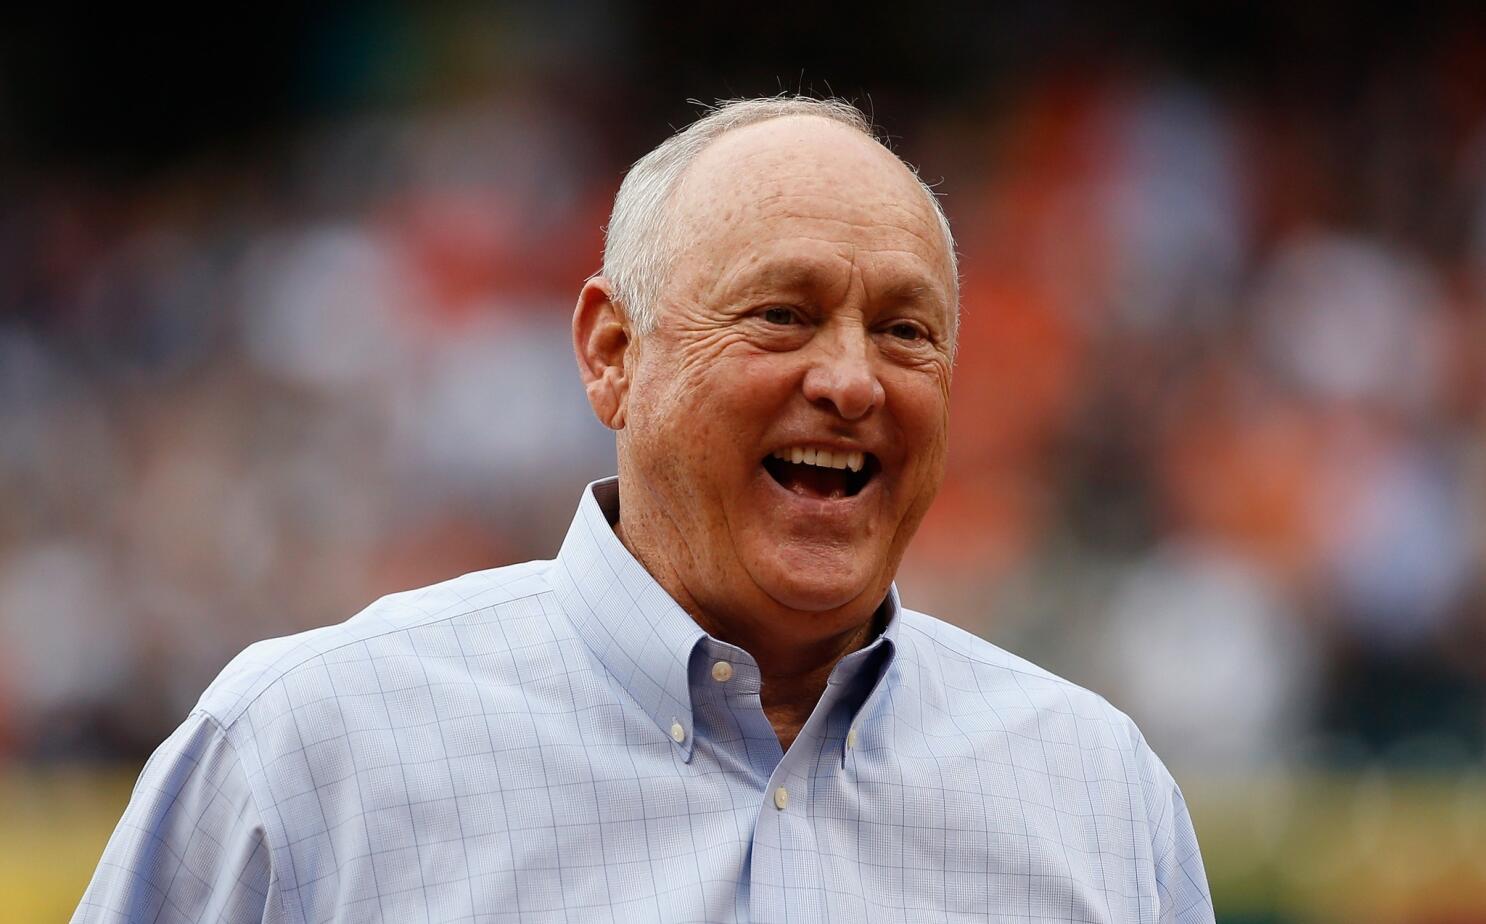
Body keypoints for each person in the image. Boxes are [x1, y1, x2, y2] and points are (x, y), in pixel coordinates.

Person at [75, 96, 1214, 923]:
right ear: (613, 353)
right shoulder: (306, 753)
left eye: (907, 332)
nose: (854, 379)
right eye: (782, 312)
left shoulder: (1097, 796)